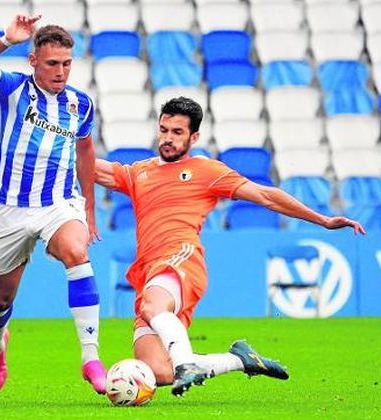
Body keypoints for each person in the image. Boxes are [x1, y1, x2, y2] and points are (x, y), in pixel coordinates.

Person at [95, 97, 366, 396]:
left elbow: (265, 195)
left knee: (153, 308)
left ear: (194, 137)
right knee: (158, 371)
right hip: (149, 271)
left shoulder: (206, 170)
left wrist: (323, 220)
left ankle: (186, 364)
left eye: (177, 132)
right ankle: (239, 359)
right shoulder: (139, 173)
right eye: (164, 130)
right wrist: (42, 144)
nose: (168, 138)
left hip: (181, 259)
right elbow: (92, 168)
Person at [0, 16, 107, 393]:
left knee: (77, 252)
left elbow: (85, 151)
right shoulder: (12, 88)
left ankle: (91, 359)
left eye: (67, 63)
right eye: (52, 63)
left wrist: (88, 209)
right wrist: (6, 40)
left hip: (58, 203)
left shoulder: (80, 104)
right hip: (9, 207)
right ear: (33, 62)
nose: (60, 71)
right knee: (0, 299)